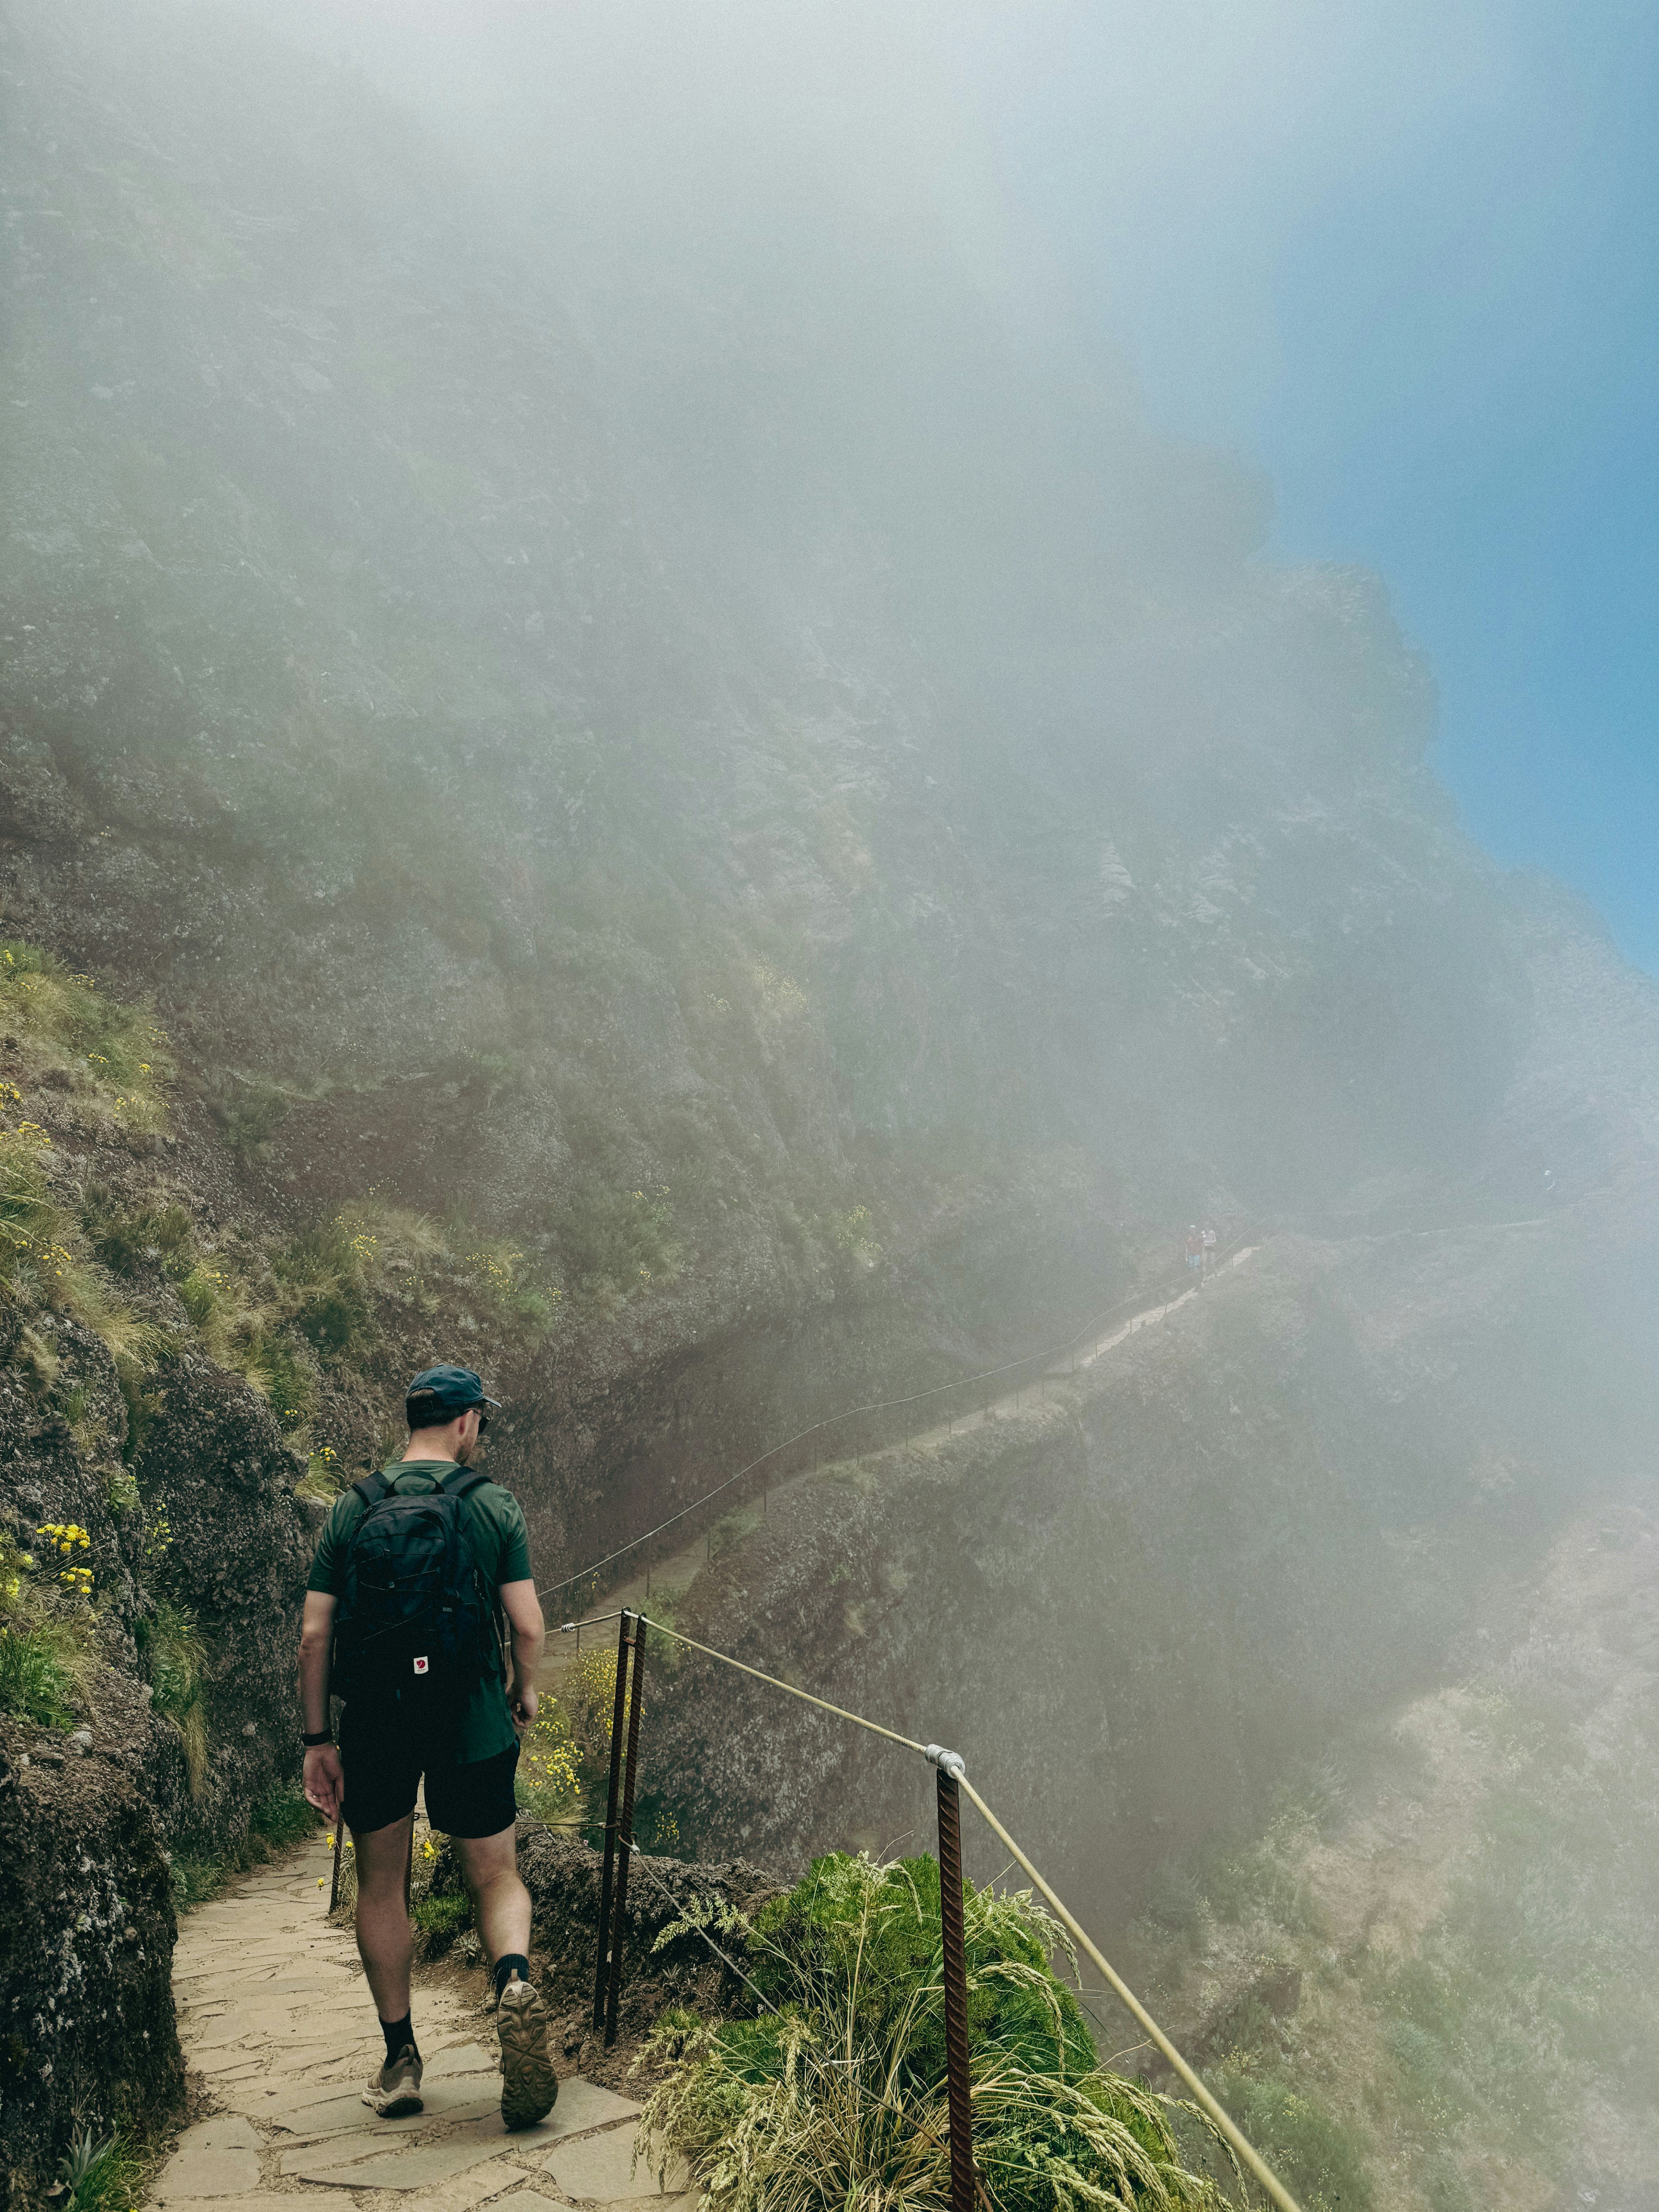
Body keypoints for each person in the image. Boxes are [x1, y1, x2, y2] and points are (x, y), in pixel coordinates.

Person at [299, 1364, 556, 2130]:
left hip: (378, 1717)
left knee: (381, 1885)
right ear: (468, 1422)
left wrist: (319, 1740)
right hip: (469, 1709)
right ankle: (512, 1983)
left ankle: (401, 2057)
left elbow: (314, 1635)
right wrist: (524, 1689)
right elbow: (530, 1626)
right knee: (496, 1873)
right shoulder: (490, 1505)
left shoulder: (354, 1508)